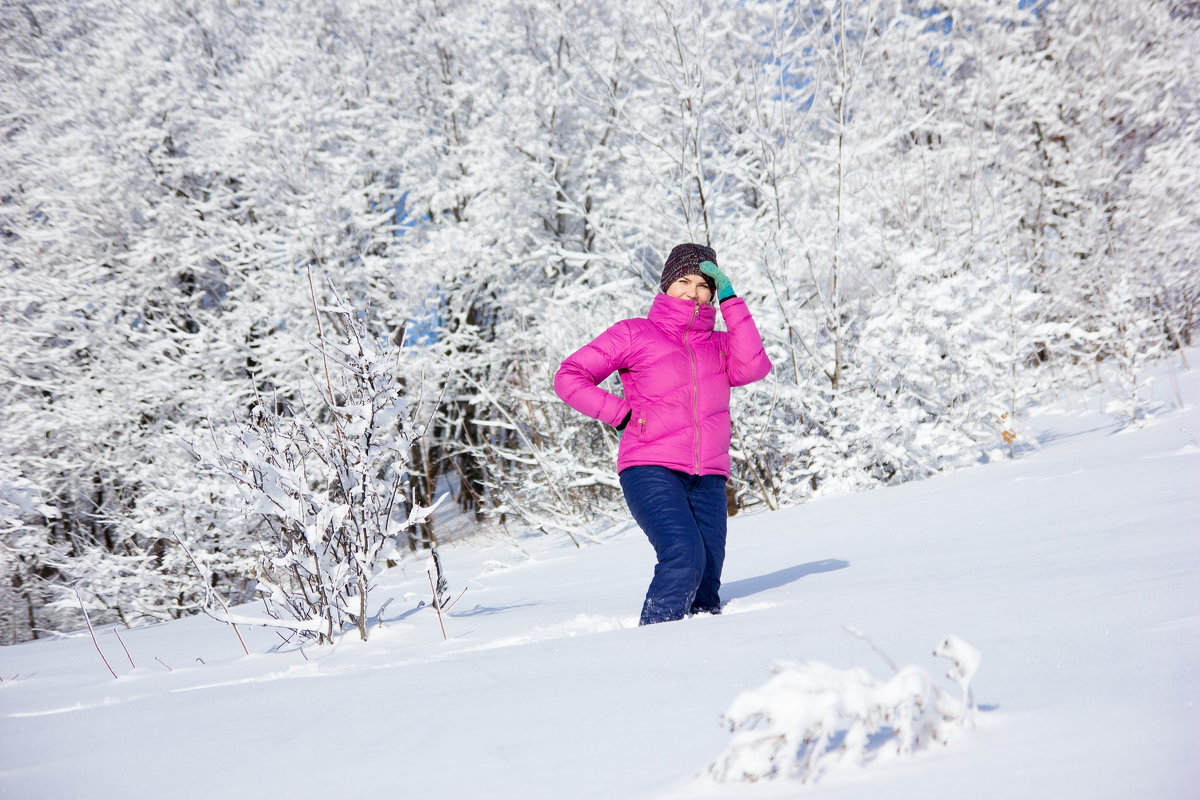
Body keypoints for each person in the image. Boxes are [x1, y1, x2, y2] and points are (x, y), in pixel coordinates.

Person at [553, 243, 772, 624]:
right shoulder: (635, 334)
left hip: (708, 476)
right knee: (684, 555)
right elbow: (568, 376)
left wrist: (731, 298)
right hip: (650, 466)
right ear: (667, 284)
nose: (692, 291)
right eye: (683, 280)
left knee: (706, 580)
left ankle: (699, 658)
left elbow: (754, 368)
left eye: (705, 284)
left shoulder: (721, 345)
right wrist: (622, 415)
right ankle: (654, 646)